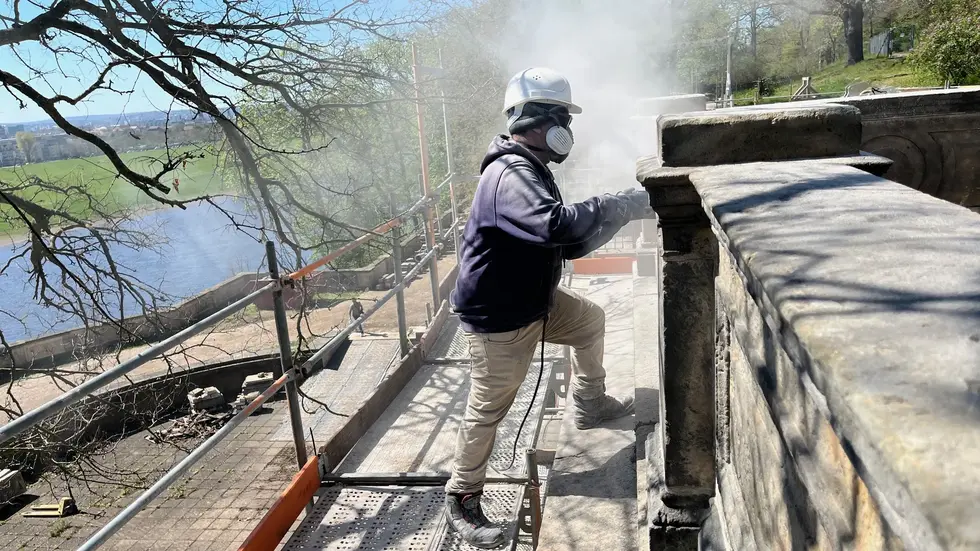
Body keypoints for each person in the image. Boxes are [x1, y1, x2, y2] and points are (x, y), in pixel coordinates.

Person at [443, 67, 651, 548]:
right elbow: (558, 227)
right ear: (541, 120)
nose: (568, 132)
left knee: (590, 321)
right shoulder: (511, 173)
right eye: (563, 119)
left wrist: (622, 211)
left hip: (535, 301)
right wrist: (622, 202)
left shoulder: (529, 169)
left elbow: (567, 244)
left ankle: (590, 403)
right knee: (489, 409)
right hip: (500, 322)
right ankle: (463, 495)